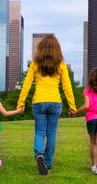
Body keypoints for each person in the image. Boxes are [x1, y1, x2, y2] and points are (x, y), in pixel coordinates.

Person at [17, 34, 76, 175]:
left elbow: (26, 85)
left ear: (41, 48)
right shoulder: (60, 64)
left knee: (39, 132)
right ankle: (48, 163)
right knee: (51, 133)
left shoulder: (35, 63)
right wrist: (72, 106)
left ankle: (39, 155)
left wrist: (21, 102)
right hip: (55, 102)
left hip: (39, 102)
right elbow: (67, 86)